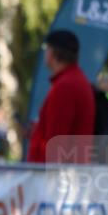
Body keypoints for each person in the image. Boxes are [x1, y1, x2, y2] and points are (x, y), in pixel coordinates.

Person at [27, 29, 96, 164]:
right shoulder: (75, 80)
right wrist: (37, 131)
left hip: (56, 177)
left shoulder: (65, 86)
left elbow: (56, 143)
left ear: (53, 53)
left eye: (46, 48)